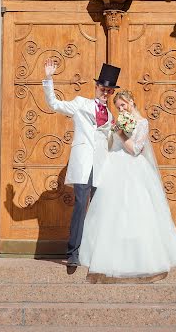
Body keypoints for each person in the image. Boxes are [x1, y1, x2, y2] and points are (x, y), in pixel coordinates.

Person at [79, 89, 176, 277]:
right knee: (111, 211)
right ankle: (108, 251)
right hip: (114, 168)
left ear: (132, 102)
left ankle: (138, 254)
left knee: (134, 210)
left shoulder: (143, 123)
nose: (121, 109)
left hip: (133, 169)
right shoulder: (119, 121)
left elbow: (135, 149)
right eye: (118, 107)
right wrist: (111, 134)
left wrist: (121, 134)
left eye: (123, 105)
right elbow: (111, 145)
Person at [43, 59, 120, 267]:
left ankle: (95, 251)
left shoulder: (112, 116)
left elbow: (111, 142)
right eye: (103, 89)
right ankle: (73, 253)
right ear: (96, 87)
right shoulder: (80, 104)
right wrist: (48, 79)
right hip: (83, 163)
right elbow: (54, 104)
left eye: (109, 91)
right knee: (80, 205)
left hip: (102, 166)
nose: (106, 94)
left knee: (98, 209)